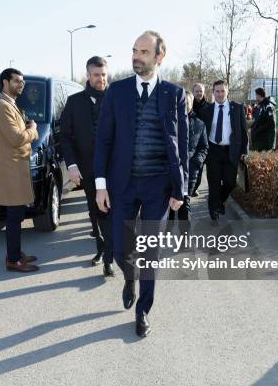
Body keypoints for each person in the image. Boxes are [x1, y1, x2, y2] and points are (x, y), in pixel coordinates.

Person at [94, 31, 188, 337]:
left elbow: (182, 146)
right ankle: (129, 276)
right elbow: (103, 140)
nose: (136, 56)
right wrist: (100, 185)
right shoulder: (117, 92)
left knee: (150, 253)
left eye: (144, 52)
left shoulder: (174, 94)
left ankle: (143, 311)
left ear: (159, 57)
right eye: (134, 50)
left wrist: (180, 189)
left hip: (158, 187)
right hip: (122, 184)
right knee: (121, 250)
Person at [60, 56, 115, 277]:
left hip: (116, 169)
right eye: (96, 75)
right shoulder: (74, 102)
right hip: (88, 169)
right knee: (96, 211)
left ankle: (110, 257)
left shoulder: (117, 99)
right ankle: (102, 247)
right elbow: (65, 136)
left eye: (103, 75)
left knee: (115, 213)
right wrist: (72, 165)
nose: (101, 79)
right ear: (88, 76)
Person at [0, 68, 39, 272]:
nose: (21, 85)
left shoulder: (9, 103)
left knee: (17, 215)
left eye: (23, 82)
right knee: (13, 216)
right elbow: (16, 138)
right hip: (10, 171)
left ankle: (16, 253)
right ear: (5, 82)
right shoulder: (1, 106)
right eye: (17, 81)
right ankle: (12, 259)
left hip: (16, 169)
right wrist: (33, 130)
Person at [198, 79, 248, 224]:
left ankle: (219, 202)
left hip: (230, 151)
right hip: (213, 151)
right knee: (213, 185)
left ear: (227, 91)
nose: (220, 94)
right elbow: (202, 133)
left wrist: (244, 150)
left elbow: (244, 133)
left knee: (230, 182)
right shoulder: (206, 110)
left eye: (222, 91)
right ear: (213, 93)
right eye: (217, 91)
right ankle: (213, 213)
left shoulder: (237, 108)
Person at [170, 90, 208, 226]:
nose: (185, 105)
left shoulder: (199, 124)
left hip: (189, 172)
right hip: (169, 171)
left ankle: (185, 239)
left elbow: (204, 147)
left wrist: (197, 162)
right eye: (182, 102)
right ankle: (165, 236)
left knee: (184, 205)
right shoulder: (169, 122)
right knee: (168, 206)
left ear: (192, 103)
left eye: (188, 102)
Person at [191, 83, 210, 197]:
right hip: (190, 141)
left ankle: (194, 187)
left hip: (202, 142)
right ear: (193, 92)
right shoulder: (188, 104)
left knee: (199, 166)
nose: (199, 93)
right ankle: (188, 188)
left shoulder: (209, 107)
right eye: (196, 91)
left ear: (203, 92)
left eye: (200, 91)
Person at [251, 87, 276, 151]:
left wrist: (258, 130)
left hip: (265, 141)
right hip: (259, 140)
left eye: (256, 95)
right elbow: (255, 116)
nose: (256, 97)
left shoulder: (268, 106)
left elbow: (271, 123)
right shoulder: (261, 105)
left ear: (259, 95)